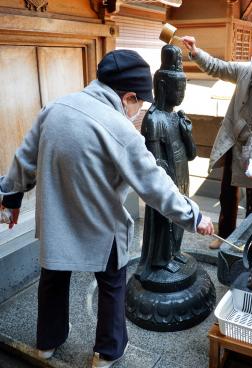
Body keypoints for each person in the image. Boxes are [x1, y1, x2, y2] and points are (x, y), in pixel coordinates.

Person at [0, 49, 214, 368]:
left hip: (58, 218)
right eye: (138, 102)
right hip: (101, 224)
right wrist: (193, 216)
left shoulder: (54, 109)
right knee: (113, 283)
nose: (137, 109)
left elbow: (24, 159)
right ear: (128, 96)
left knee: (53, 279)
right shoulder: (119, 128)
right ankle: (108, 352)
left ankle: (47, 342)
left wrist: (10, 196)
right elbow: (154, 184)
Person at [182, 33, 252, 249]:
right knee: (227, 194)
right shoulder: (245, 71)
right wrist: (196, 52)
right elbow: (218, 67)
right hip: (234, 142)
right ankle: (225, 236)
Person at [137, 44, 197, 279]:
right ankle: (160, 259)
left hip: (182, 174)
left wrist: (188, 132)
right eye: (177, 87)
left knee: (180, 217)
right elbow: (155, 163)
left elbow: (191, 155)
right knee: (164, 220)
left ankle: (175, 252)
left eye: (184, 87)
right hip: (165, 180)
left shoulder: (175, 117)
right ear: (162, 86)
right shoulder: (153, 119)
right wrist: (167, 185)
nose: (181, 93)